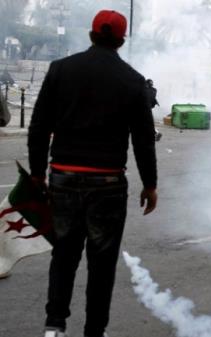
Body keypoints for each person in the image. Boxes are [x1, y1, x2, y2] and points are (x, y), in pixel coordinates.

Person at [28, 10, 158, 337]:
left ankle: (54, 326)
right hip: (109, 184)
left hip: (63, 178)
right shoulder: (132, 80)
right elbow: (143, 139)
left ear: (91, 35)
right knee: (102, 266)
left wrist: (37, 174)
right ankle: (93, 332)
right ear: (121, 40)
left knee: (64, 256)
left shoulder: (60, 70)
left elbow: (39, 127)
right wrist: (150, 184)